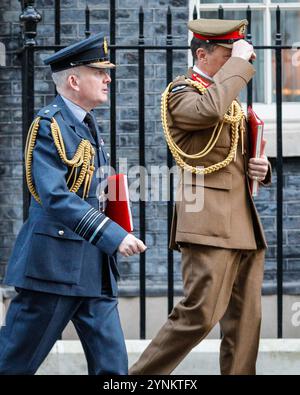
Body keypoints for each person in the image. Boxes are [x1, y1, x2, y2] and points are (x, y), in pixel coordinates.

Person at [130, 18, 271, 375]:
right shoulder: (181, 93)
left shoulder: (227, 98)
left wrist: (263, 169)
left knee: (244, 324)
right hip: (208, 221)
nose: (239, 62)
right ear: (202, 54)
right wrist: (240, 62)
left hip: (243, 222)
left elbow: (234, 157)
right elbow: (208, 111)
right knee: (199, 314)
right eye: (228, 54)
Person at [0, 33, 146, 375]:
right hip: (54, 269)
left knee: (114, 369)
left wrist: (117, 218)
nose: (108, 78)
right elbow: (54, 195)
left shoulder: (85, 124)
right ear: (74, 80)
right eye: (99, 72)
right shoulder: (49, 126)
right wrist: (112, 233)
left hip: (93, 268)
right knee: (13, 363)